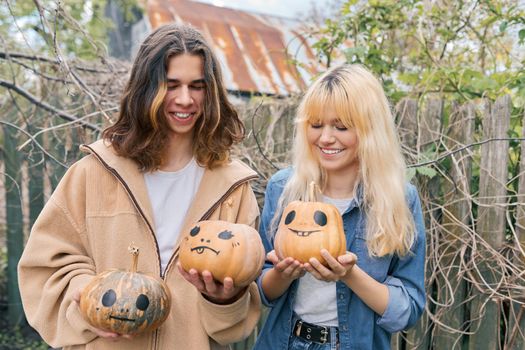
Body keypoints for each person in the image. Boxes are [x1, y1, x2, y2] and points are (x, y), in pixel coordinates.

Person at [18, 24, 261, 350]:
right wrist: (88, 299)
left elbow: (233, 328)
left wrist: (224, 299)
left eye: (197, 86)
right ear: (146, 88)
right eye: (171, 85)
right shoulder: (95, 171)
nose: (185, 99)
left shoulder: (233, 188)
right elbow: (46, 265)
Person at [254, 64, 426, 350]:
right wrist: (282, 274)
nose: (325, 138)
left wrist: (349, 275)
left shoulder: (398, 200)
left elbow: (407, 310)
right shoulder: (283, 190)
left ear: (370, 130)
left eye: (341, 127)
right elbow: (261, 292)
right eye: (316, 125)